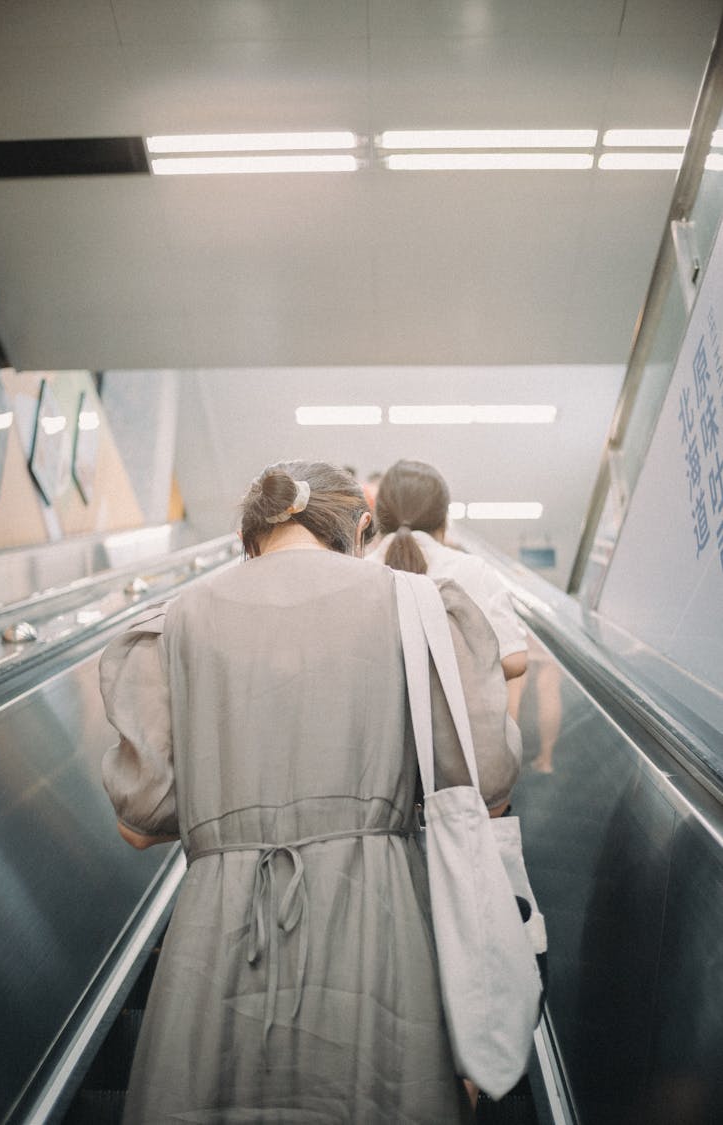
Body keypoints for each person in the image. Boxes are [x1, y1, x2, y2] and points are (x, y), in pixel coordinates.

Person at [99, 460, 517, 1124]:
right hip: (377, 925)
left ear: (251, 531)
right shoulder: (412, 601)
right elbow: (486, 784)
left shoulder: (177, 621)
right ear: (356, 524)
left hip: (216, 944)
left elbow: (141, 822)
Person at [370, 459, 529, 698]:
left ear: (379, 518)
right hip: (458, 726)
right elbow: (515, 659)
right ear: (444, 520)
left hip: (378, 723)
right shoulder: (473, 570)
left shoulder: (357, 571)